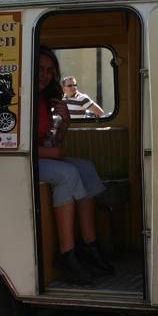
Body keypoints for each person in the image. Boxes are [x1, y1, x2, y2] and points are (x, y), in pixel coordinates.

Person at [37, 47, 114, 284]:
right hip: (24, 160)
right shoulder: (20, 98)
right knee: (67, 173)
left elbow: (55, 140)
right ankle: (67, 253)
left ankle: (90, 246)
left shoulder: (45, 99)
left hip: (43, 156)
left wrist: (65, 123)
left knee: (86, 167)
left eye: (50, 70)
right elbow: (17, 143)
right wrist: (53, 152)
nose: (45, 75)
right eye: (40, 69)